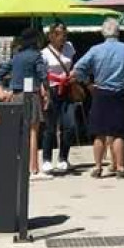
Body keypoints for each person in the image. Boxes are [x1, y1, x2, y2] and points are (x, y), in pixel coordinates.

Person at [72, 17, 124, 178]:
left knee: (99, 132)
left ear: (103, 32)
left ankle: (97, 167)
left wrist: (87, 82)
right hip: (120, 93)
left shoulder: (95, 50)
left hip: (100, 93)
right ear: (118, 32)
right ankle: (120, 167)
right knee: (118, 132)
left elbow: (78, 68)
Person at [0, 28, 48, 177]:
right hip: (32, 95)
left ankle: (19, 165)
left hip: (17, 95)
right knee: (33, 132)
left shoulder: (16, 57)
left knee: (20, 132)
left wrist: (1, 90)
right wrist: (48, 93)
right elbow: (43, 75)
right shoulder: (36, 56)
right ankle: (34, 167)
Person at [39, 22, 78, 173]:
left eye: (65, 34)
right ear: (52, 36)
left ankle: (63, 158)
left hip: (67, 88)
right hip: (52, 89)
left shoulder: (69, 47)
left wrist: (73, 75)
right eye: (61, 34)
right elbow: (42, 74)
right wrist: (44, 91)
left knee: (70, 125)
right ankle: (47, 159)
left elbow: (73, 64)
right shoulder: (44, 53)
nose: (63, 37)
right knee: (50, 127)